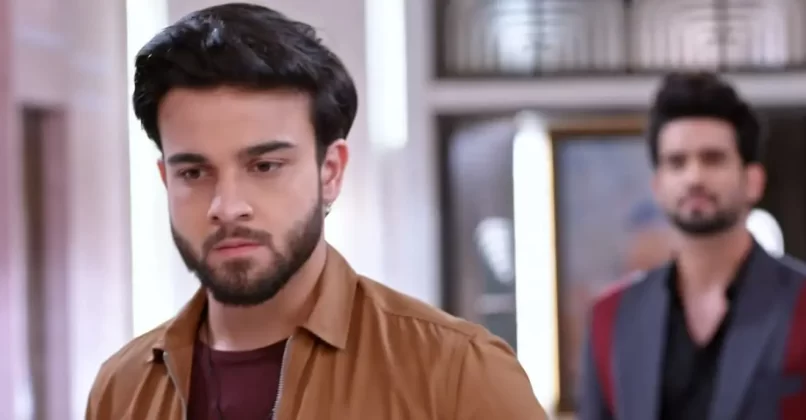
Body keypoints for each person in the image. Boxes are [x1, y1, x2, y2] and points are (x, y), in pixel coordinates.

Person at [84, 3, 547, 420]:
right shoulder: (122, 388)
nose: (227, 207)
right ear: (166, 180)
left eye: (264, 166)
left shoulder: (458, 372)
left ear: (330, 171)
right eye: (194, 172)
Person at [578, 72, 806, 420]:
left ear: (753, 181)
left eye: (713, 159)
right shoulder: (612, 318)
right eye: (677, 162)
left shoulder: (799, 300)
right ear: (658, 185)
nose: (694, 177)